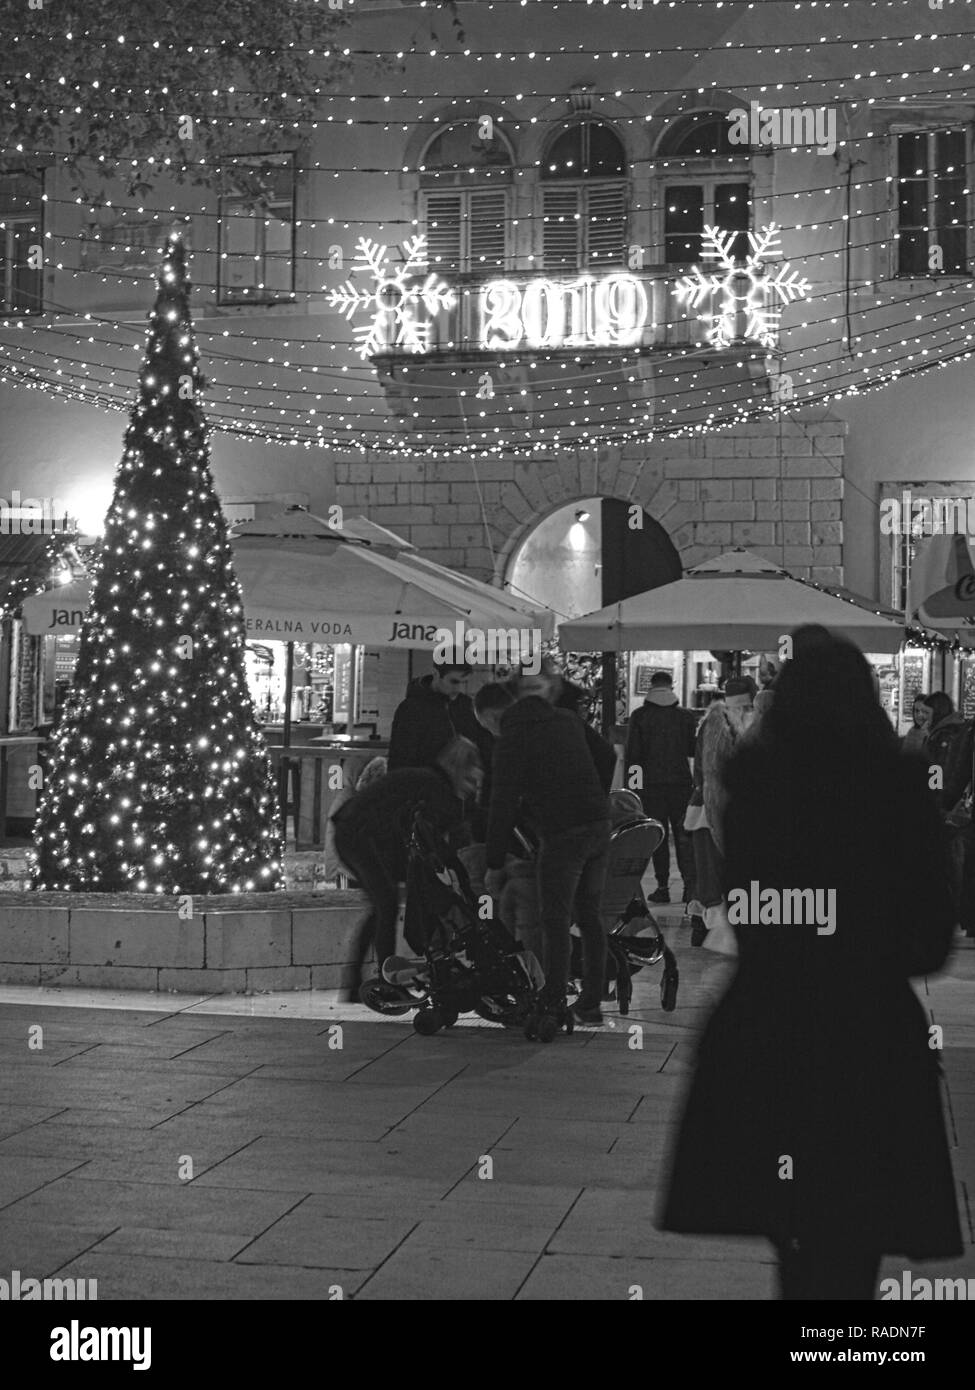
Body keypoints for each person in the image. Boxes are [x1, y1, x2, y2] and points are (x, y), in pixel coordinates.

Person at [659, 627, 962, 1300]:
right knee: (851, 1232)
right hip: (869, 1030)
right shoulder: (895, 782)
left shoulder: (757, 783)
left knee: (789, 1224)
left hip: (766, 1025)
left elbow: (751, 908)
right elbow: (928, 938)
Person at [475, 681, 612, 1027]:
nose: (492, 734)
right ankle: (591, 1002)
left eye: (488, 727)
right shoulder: (566, 719)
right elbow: (608, 755)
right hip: (597, 824)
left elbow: (501, 805)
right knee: (590, 916)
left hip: (562, 833)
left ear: (493, 716)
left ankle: (553, 1000)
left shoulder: (511, 740)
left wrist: (493, 862)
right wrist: (592, 794)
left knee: (553, 918)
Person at [331, 736, 482, 1002]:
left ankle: (362, 980)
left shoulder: (428, 781)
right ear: (461, 770)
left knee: (382, 905)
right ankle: (383, 980)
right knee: (385, 903)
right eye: (470, 779)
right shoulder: (436, 789)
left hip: (354, 831)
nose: (472, 787)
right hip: (359, 836)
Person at [624, 672, 698, 905]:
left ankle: (663, 886)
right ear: (671, 686)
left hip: (652, 786)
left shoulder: (639, 716)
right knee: (684, 836)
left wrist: (634, 789)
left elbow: (633, 756)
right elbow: (692, 750)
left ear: (651, 687)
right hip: (681, 783)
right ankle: (689, 888)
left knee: (658, 836)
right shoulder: (685, 716)